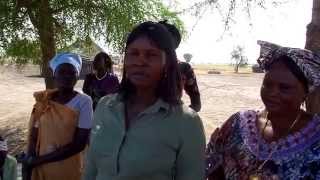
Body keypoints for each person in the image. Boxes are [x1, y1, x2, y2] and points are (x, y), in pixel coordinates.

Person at [83, 21, 206, 180]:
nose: (140, 61)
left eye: (151, 54)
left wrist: (174, 123)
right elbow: (91, 168)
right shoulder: (105, 107)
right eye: (133, 53)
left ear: (167, 61)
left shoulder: (188, 124)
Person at [205, 40, 320, 179]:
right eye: (267, 84)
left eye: (284, 88)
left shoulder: (316, 137)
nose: (272, 92)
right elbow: (213, 169)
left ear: (306, 92)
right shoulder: (236, 124)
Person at [24, 53, 93, 180]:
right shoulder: (44, 100)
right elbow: (34, 134)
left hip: (68, 167)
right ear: (54, 74)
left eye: (71, 73)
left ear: (77, 76)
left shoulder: (84, 102)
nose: (66, 76)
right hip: (40, 167)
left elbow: (79, 144)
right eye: (62, 72)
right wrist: (30, 163)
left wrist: (38, 160)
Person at [159, 20, 201, 112]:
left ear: (175, 43)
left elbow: (197, 105)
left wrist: (181, 117)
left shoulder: (184, 68)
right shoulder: (141, 66)